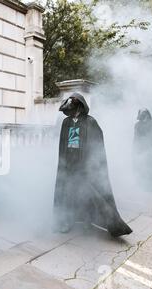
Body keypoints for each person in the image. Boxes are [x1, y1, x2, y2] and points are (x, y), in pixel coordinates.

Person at [53, 93, 132, 237]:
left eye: (72, 108)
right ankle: (66, 221)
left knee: (89, 194)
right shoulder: (66, 122)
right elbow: (63, 145)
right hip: (70, 164)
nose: (69, 112)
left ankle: (89, 222)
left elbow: (97, 145)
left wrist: (91, 164)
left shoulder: (90, 122)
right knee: (68, 193)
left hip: (85, 166)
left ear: (79, 107)